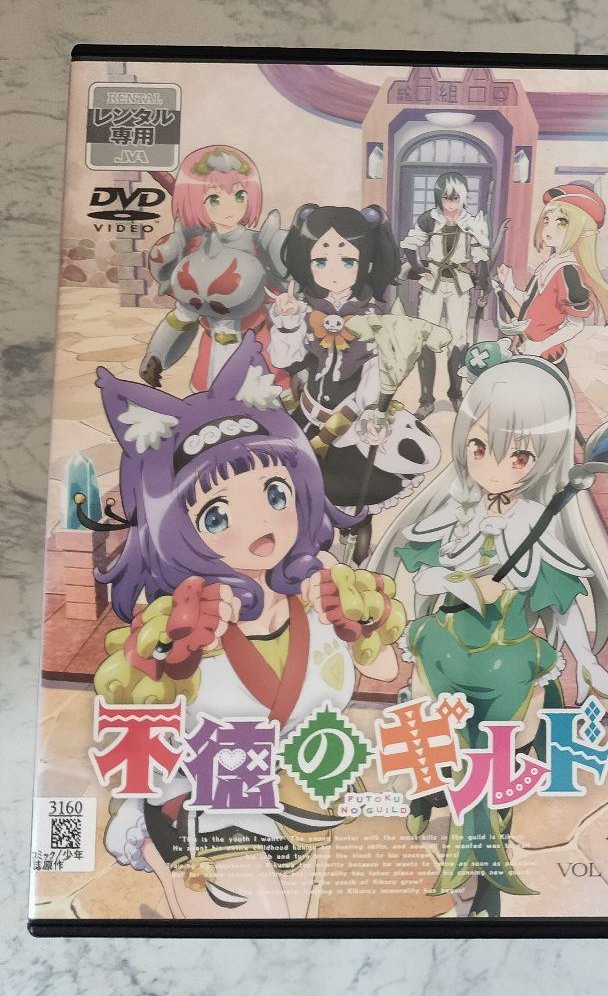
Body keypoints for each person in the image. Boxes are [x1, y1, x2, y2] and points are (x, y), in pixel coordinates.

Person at [83, 334, 405, 919]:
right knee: (256, 925)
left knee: (296, 926)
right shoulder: (181, 614)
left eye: (275, 492)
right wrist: (182, 651)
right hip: (208, 804)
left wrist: (356, 623)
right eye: (217, 514)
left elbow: (387, 669)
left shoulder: (321, 589)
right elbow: (133, 704)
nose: (259, 522)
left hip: (305, 797)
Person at [369, 349, 608, 917]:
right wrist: (463, 587)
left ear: (541, 460)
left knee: (497, 767)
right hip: (444, 651)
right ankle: (427, 794)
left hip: (511, 664)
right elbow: (420, 574)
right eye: (479, 447)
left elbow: (563, 606)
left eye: (517, 455)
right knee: (437, 741)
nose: (494, 465)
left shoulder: (537, 524)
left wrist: (594, 672)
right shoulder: (453, 513)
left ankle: (486, 880)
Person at [268, 203, 440, 563]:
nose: (333, 272)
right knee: (302, 490)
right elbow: (284, 360)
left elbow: (376, 375)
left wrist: (366, 415)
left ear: (366, 262)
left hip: (352, 422)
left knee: (354, 499)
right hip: (307, 414)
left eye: (346, 261)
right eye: (321, 261)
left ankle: (358, 562)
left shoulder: (376, 316)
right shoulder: (304, 310)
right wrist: (286, 322)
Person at [140, 145, 290, 394]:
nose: (229, 208)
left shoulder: (261, 245)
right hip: (212, 352)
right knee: (209, 403)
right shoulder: (191, 247)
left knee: (260, 405)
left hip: (256, 349)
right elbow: (183, 318)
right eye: (214, 199)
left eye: (239, 196)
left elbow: (286, 299)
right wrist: (157, 356)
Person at [495, 184, 608, 382]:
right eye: (547, 220)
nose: (548, 229)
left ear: (579, 229)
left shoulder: (568, 272)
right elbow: (533, 304)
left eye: (561, 223)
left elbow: (575, 325)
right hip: (526, 349)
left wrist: (540, 346)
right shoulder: (551, 264)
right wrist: (510, 286)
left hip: (546, 359)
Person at [400, 171, 489, 417]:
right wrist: (419, 269)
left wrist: (483, 287)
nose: (450, 205)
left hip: (460, 285)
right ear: (439, 198)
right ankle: (426, 400)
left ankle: (456, 393)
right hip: (433, 284)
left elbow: (481, 258)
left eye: (455, 199)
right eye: (446, 199)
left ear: (463, 198)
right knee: (426, 336)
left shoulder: (471, 223)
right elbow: (409, 245)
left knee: (459, 339)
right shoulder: (429, 219)